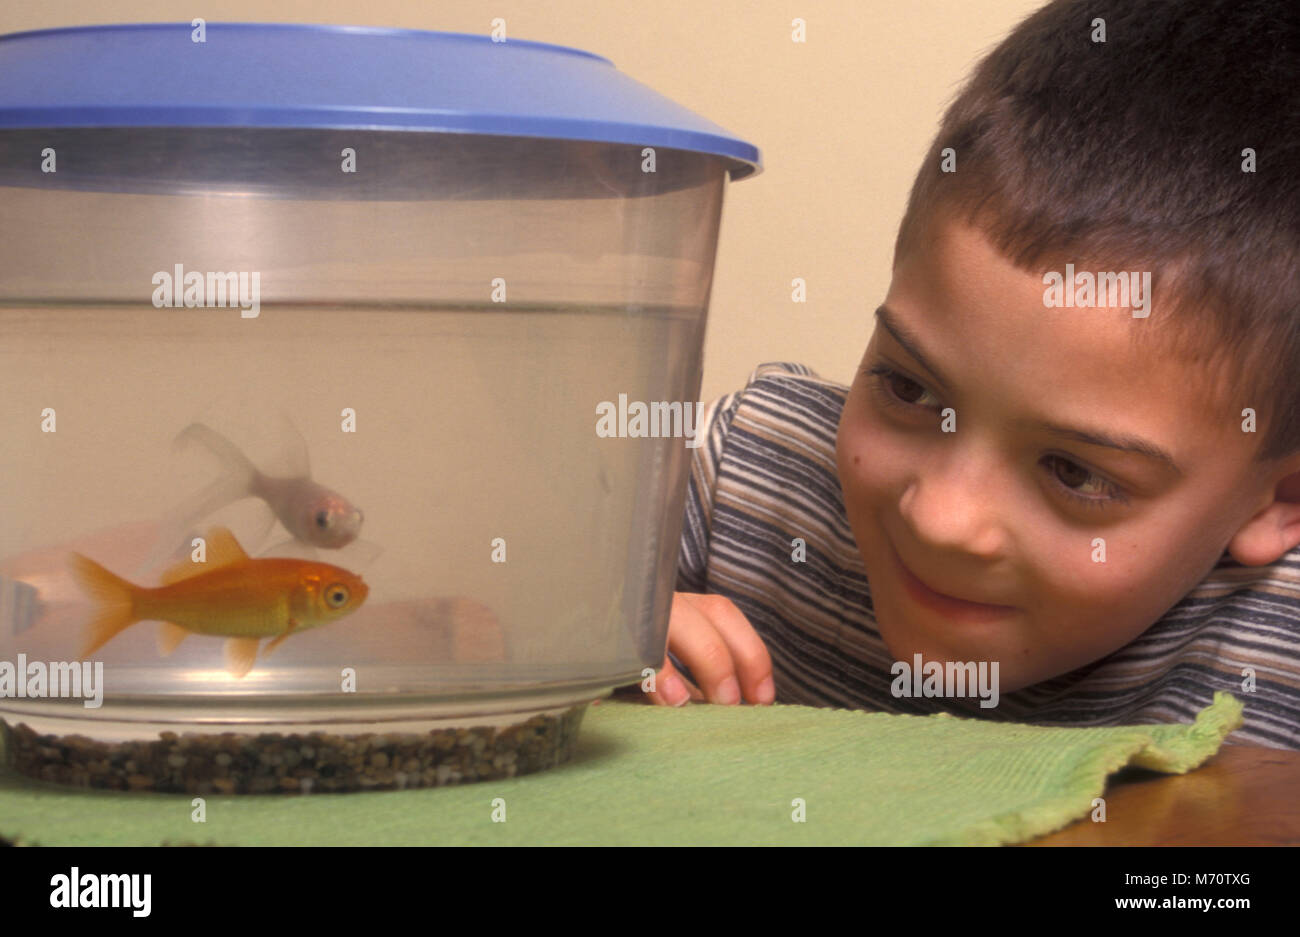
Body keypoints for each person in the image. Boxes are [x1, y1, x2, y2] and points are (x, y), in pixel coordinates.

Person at [643, 0, 1300, 750]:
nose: (941, 519)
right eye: (909, 389)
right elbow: (487, 603)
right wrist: (573, 645)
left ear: (1279, 497)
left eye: (1075, 473)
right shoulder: (740, 484)